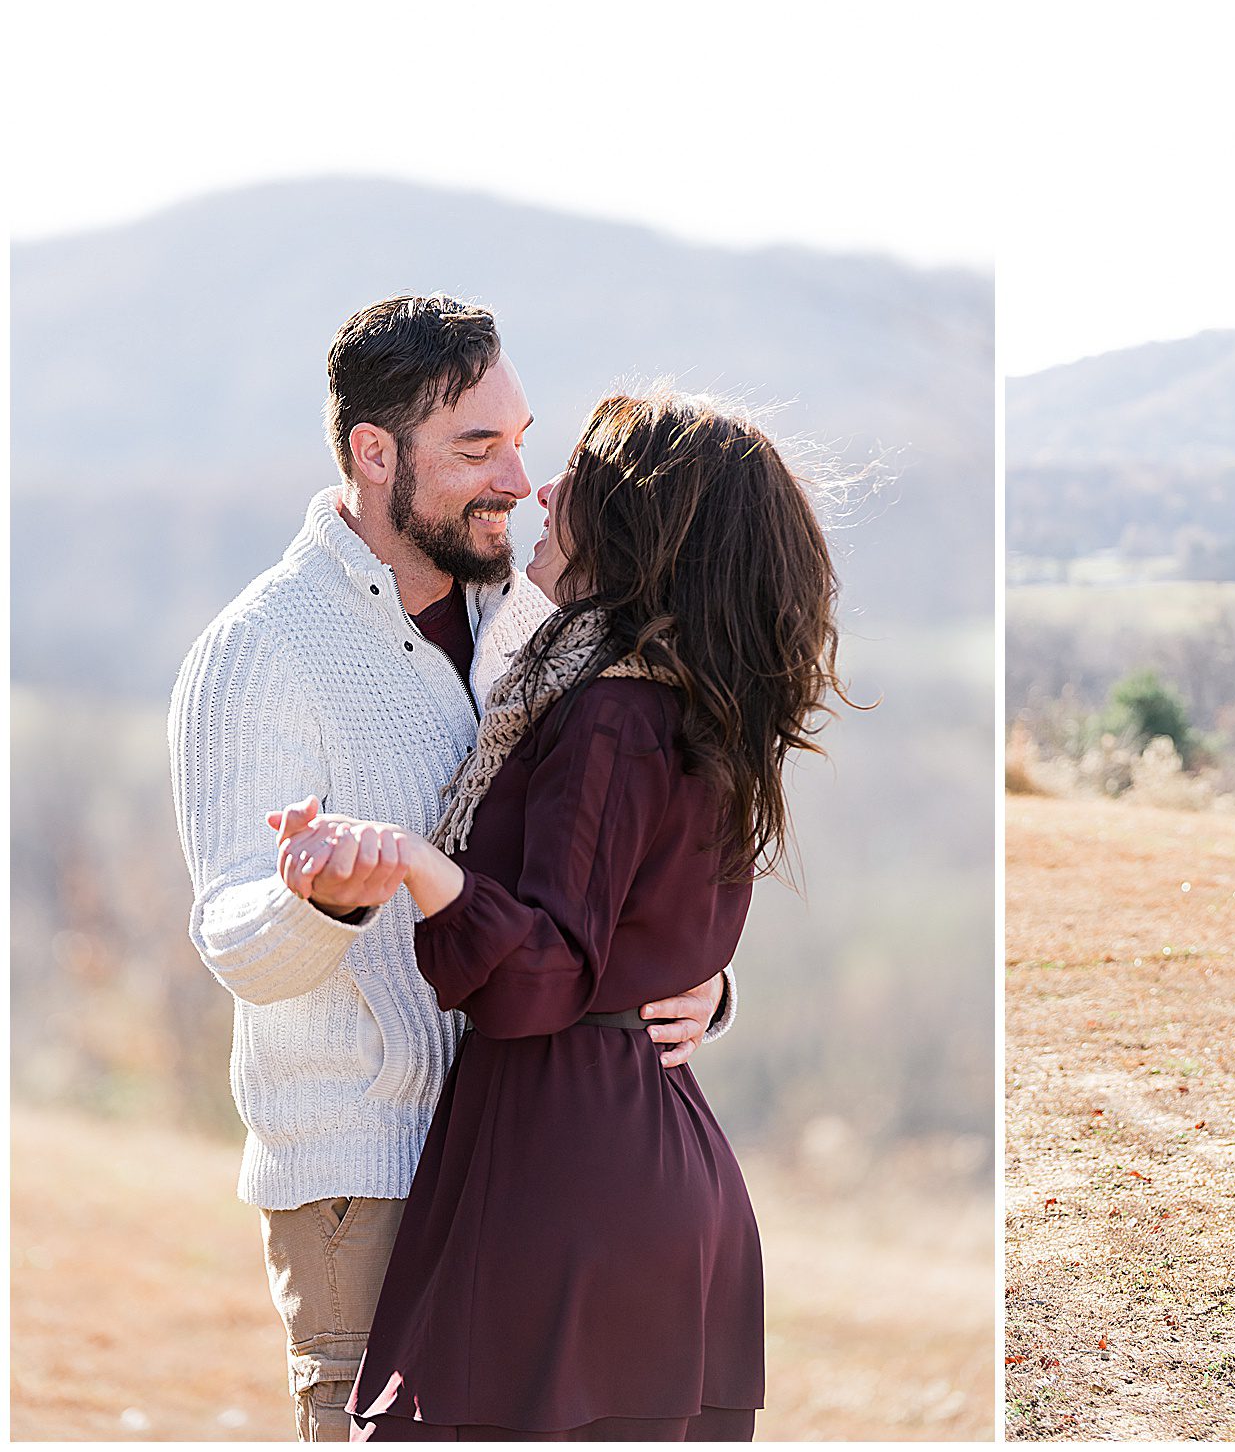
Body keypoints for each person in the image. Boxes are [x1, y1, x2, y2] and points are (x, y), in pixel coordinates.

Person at [168, 295, 735, 1441]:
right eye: (478, 448)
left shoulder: (532, 616)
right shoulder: (262, 648)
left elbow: (601, 858)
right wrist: (314, 899)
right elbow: (235, 937)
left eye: (522, 438)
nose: (519, 480)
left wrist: (699, 984)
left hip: (535, 1159)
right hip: (368, 1177)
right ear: (373, 454)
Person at [270, 386, 846, 1439]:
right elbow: (641, 932)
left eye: (574, 476)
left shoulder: (612, 712)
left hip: (568, 1164)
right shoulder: (676, 697)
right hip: (646, 1154)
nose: (541, 487)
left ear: (635, 522)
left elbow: (538, 980)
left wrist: (411, 864)